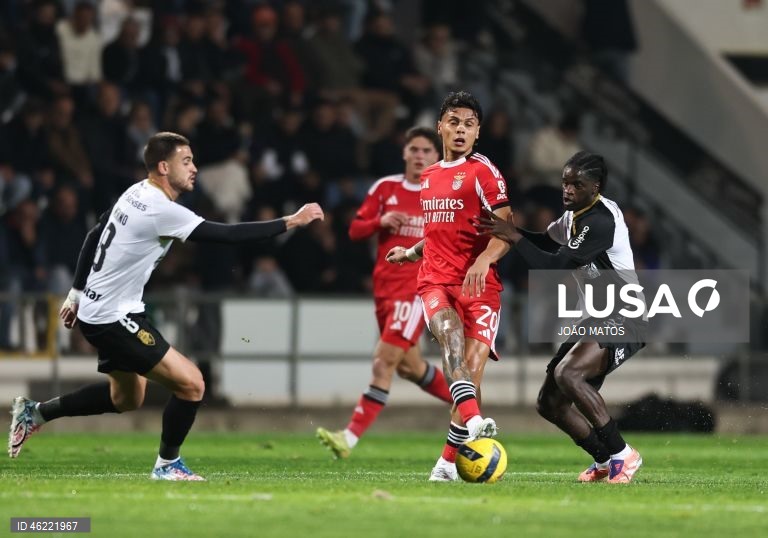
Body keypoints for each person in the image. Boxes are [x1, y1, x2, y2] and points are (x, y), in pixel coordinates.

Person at [8, 132, 324, 481]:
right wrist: (291, 221)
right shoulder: (161, 209)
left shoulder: (135, 192)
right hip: (113, 317)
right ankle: (167, 464)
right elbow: (227, 236)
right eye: (186, 161)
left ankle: (35, 413)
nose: (195, 169)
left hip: (106, 310)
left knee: (127, 398)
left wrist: (76, 293)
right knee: (192, 384)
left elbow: (94, 234)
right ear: (163, 166)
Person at [475, 151, 645, 483]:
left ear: (595, 187)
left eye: (576, 185)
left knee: (569, 374)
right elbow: (546, 244)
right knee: (549, 402)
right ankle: (603, 460)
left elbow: (552, 267)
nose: (566, 190)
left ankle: (623, 455)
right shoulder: (572, 217)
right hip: (597, 316)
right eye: (564, 182)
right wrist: (513, 230)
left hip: (625, 313)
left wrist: (514, 237)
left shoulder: (601, 220)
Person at [386, 91, 512, 481]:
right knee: (450, 338)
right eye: (454, 121)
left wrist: (484, 258)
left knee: (470, 373)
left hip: (480, 285)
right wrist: (411, 254)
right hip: (435, 281)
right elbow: (440, 233)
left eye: (469, 124)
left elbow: (506, 230)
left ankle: (445, 463)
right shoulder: (429, 176)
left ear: (478, 132)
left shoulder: (484, 172)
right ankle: (475, 423)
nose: (461, 129)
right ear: (441, 125)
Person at [316, 127, 451, 459]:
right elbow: (354, 230)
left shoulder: (444, 194)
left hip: (417, 290)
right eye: (414, 149)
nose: (420, 156)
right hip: (384, 290)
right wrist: (381, 221)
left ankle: (348, 438)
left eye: (426, 151)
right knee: (409, 367)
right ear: (405, 153)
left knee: (383, 362)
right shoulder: (385, 188)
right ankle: (471, 405)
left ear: (437, 157)